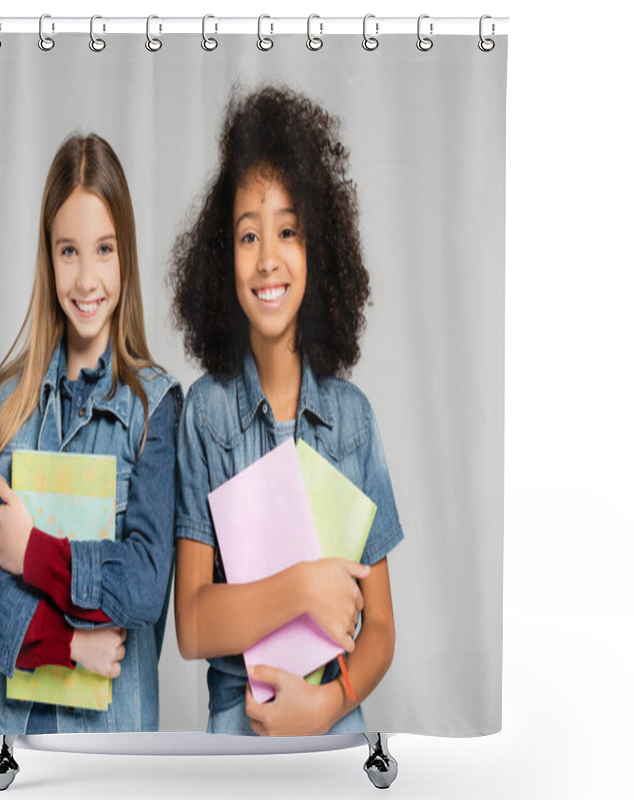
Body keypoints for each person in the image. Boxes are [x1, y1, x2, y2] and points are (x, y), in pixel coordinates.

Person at [171, 86, 404, 736]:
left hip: (338, 726)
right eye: (249, 235)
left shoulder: (353, 421)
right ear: (222, 259)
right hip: (238, 731)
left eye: (289, 232)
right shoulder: (206, 416)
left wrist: (329, 704)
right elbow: (190, 625)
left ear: (318, 251)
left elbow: (381, 628)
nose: (268, 257)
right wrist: (303, 588)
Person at [0, 133, 181, 734]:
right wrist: (66, 644)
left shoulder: (155, 408)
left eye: (103, 249)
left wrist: (35, 554)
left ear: (124, 255)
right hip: (20, 744)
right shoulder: (12, 404)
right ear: (47, 259)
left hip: (116, 755)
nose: (85, 278)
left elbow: (145, 587)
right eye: (68, 251)